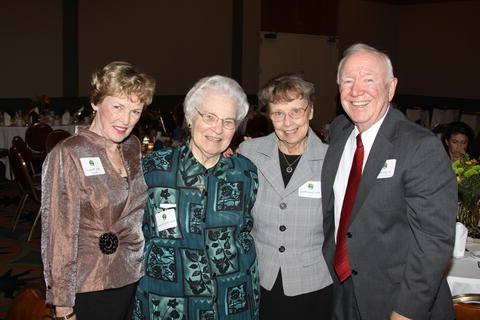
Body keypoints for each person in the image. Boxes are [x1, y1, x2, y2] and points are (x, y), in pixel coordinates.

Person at [321, 43, 458, 320]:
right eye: (348, 81)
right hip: (342, 294)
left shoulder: (420, 146)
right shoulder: (339, 132)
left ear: (391, 87)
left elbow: (434, 241)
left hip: (397, 301)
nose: (356, 91)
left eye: (369, 80)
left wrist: (406, 312)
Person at [134, 75, 260, 320]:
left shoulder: (245, 173)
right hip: (168, 302)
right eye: (209, 117)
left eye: (228, 121)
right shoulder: (153, 170)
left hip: (231, 303)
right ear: (191, 117)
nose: (218, 129)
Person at [41, 61, 156, 320]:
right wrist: (62, 306)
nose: (126, 120)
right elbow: (59, 234)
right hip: (89, 282)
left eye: (135, 111)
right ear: (95, 102)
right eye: (118, 107)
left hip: (132, 274)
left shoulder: (132, 147)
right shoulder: (68, 153)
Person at [239, 74, 333, 319]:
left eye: (296, 111)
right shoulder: (249, 152)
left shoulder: (331, 159)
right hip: (259, 277)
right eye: (278, 113)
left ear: (311, 111)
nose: (287, 122)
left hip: (312, 282)